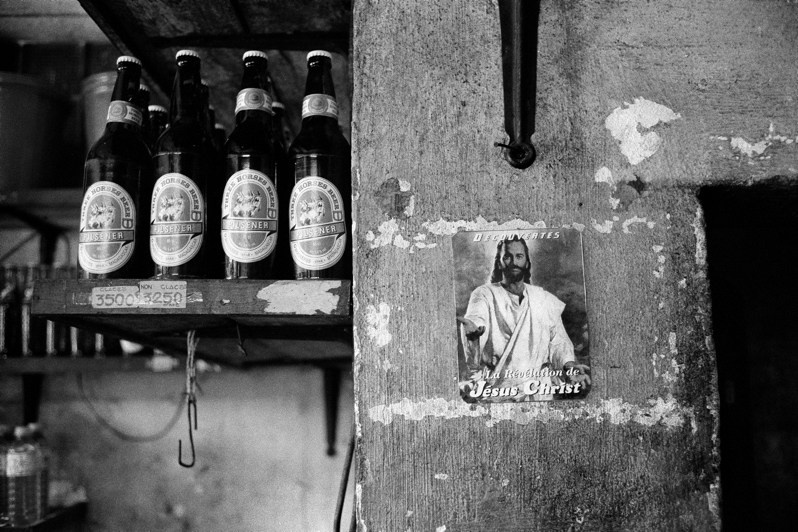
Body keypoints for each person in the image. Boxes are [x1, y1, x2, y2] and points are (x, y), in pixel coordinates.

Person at [457, 236, 590, 401]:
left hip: (540, 390)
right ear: (499, 262)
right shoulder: (484, 294)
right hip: (500, 390)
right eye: (507, 256)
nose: (514, 262)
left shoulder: (542, 298)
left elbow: (559, 341)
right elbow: (477, 319)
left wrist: (570, 367)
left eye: (519, 256)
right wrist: (474, 334)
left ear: (527, 262)